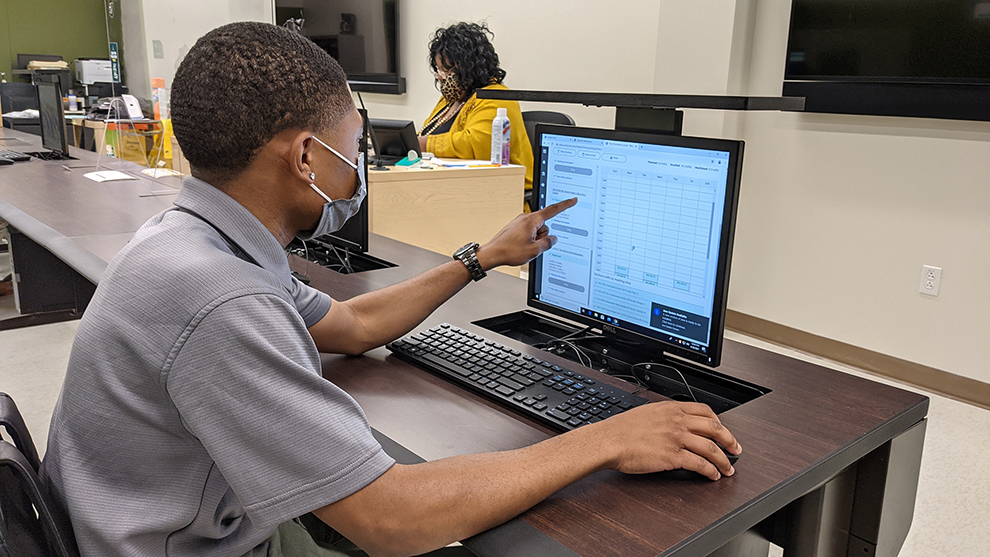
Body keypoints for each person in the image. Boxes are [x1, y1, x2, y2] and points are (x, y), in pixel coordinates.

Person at [40, 22, 741, 557]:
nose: (358, 167)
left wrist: (480, 258)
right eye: (354, 145)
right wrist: (603, 438)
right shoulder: (221, 297)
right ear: (307, 157)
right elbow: (389, 517)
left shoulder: (195, 238)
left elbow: (350, 324)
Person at [418, 22, 535, 203]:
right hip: (455, 189)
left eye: (446, 70)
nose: (441, 77)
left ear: (468, 66)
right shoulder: (450, 100)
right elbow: (428, 131)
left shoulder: (497, 97)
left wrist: (422, 144)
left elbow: (474, 144)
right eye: (439, 70)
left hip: (498, 197)